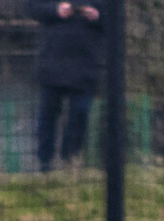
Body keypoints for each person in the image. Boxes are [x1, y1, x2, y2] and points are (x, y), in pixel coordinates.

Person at [29, 2, 102, 171]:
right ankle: (45, 164)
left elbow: (113, 18)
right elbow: (32, 7)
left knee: (80, 113)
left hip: (86, 65)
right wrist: (55, 10)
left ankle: (70, 161)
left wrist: (96, 15)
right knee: (48, 115)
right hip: (52, 62)